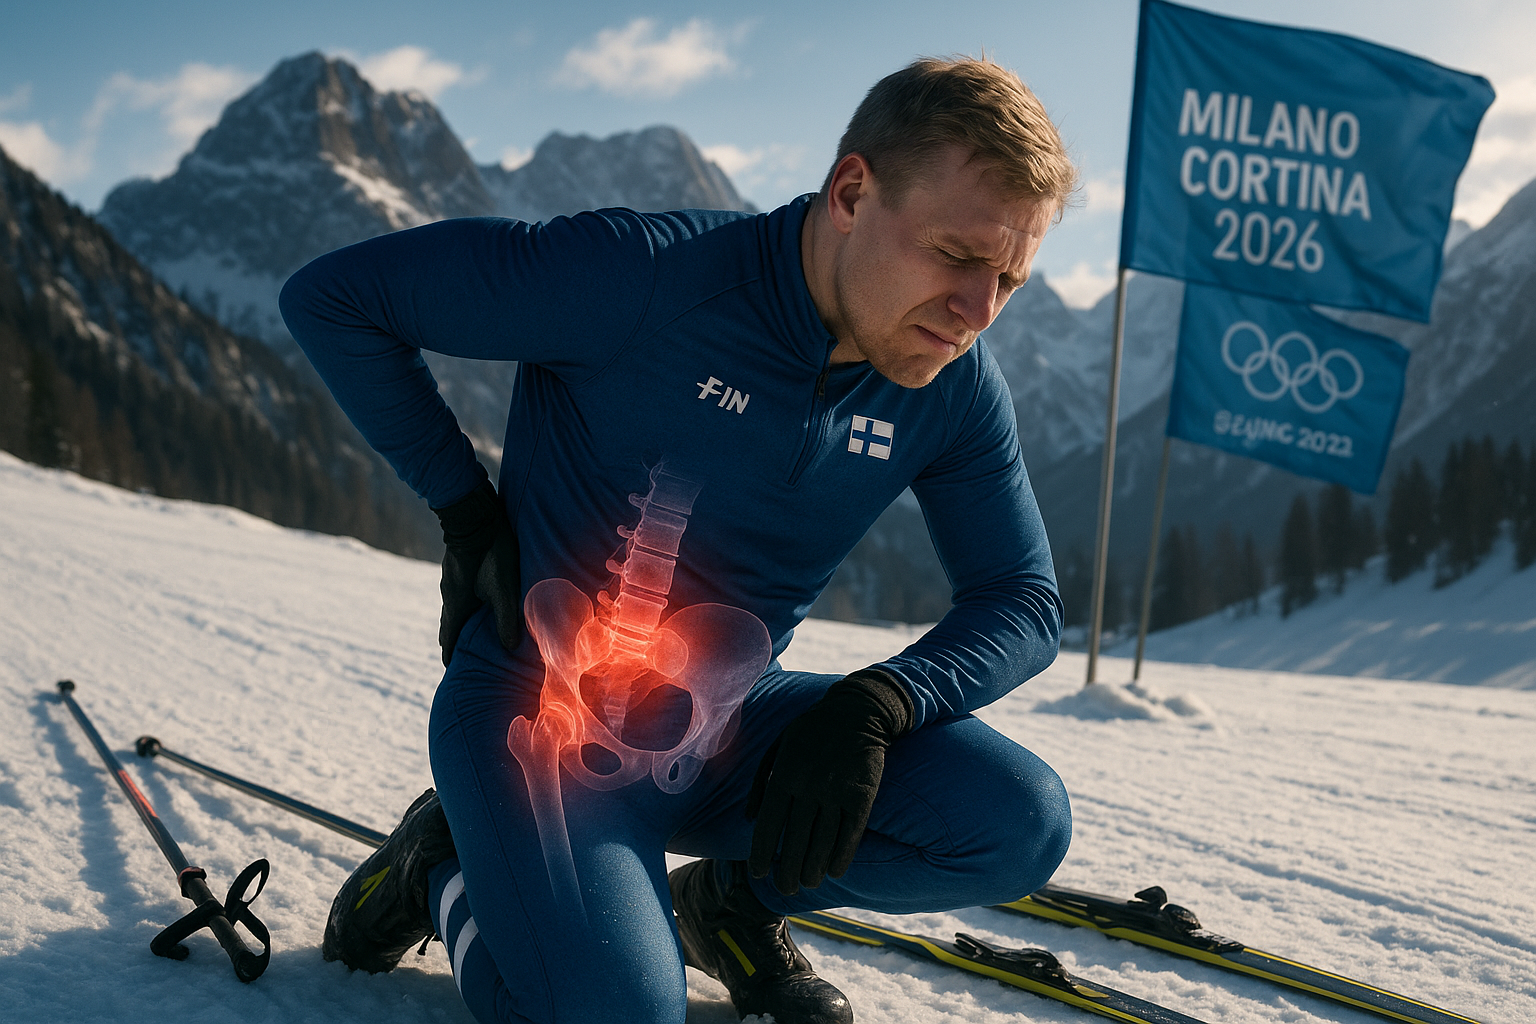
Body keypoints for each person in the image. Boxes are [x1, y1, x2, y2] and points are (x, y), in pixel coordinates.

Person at [280, 56, 1077, 1024]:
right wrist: (465, 509)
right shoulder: (641, 276)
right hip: (535, 719)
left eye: (1011, 276)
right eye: (958, 254)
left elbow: (1022, 596)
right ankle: (441, 864)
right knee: (614, 1015)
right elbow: (336, 299)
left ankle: (730, 899)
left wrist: (879, 703)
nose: (978, 310)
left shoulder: (952, 386)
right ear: (853, 192)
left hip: (723, 725)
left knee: (1013, 822)